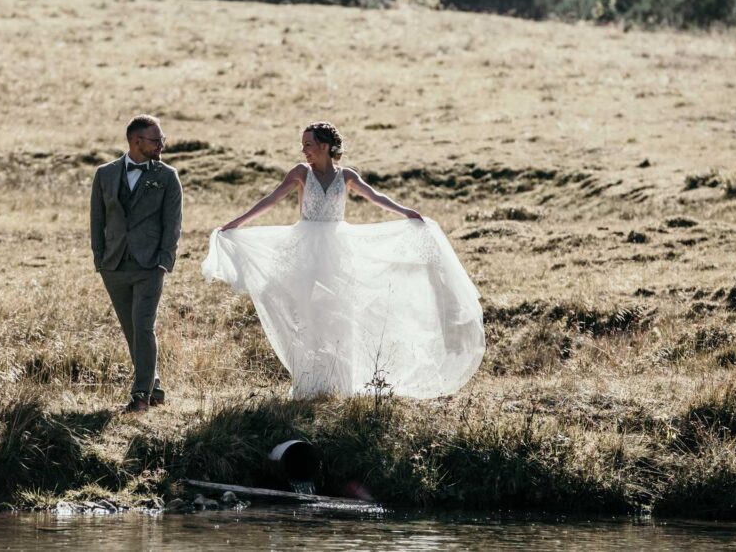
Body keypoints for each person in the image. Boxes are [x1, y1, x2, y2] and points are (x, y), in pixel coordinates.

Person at [202, 121, 484, 399]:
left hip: (338, 249)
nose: (304, 151)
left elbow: (376, 197)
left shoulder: (346, 176)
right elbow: (270, 200)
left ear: (325, 146)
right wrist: (236, 224)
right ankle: (310, 383)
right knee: (310, 314)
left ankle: (342, 382)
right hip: (307, 249)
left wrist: (407, 213)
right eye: (303, 145)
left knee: (340, 312)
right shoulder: (302, 172)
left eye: (308, 145)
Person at [90, 115, 182, 412]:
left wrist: (164, 262)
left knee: (143, 326)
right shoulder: (105, 174)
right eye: (156, 140)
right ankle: (154, 387)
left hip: (149, 265)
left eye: (162, 139)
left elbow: (173, 224)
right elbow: (97, 219)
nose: (161, 145)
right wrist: (100, 259)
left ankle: (140, 395)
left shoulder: (168, 176)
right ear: (136, 141)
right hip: (114, 265)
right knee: (131, 329)